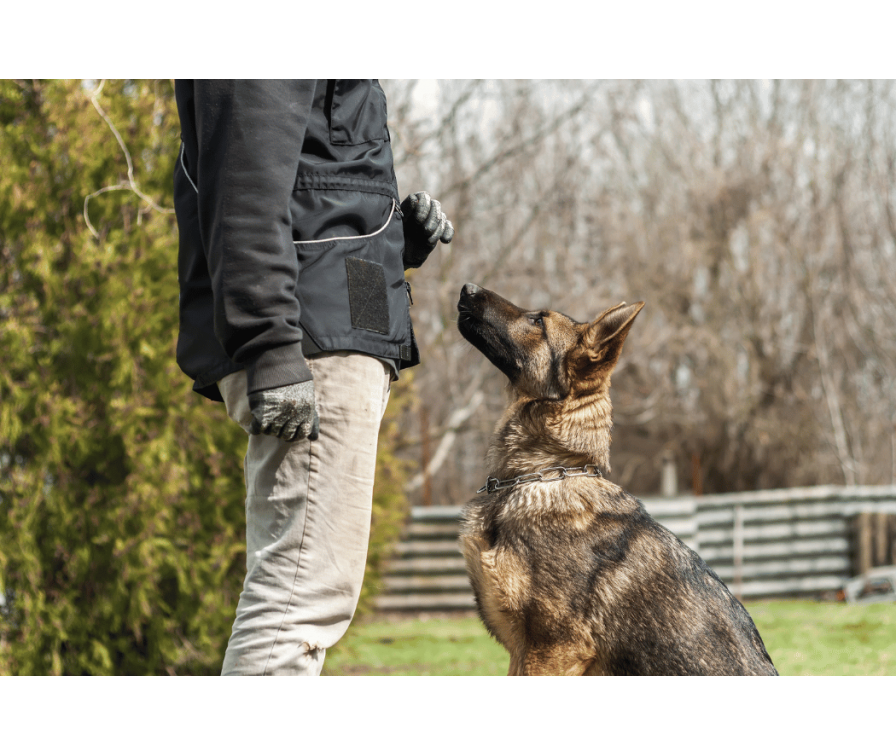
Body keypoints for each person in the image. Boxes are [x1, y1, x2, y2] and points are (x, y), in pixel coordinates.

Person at [172, 80, 453, 675]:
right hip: (305, 342)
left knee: (303, 595)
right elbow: (243, 178)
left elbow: (318, 181)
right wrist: (269, 344)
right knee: (298, 601)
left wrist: (392, 242)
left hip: (336, 326)